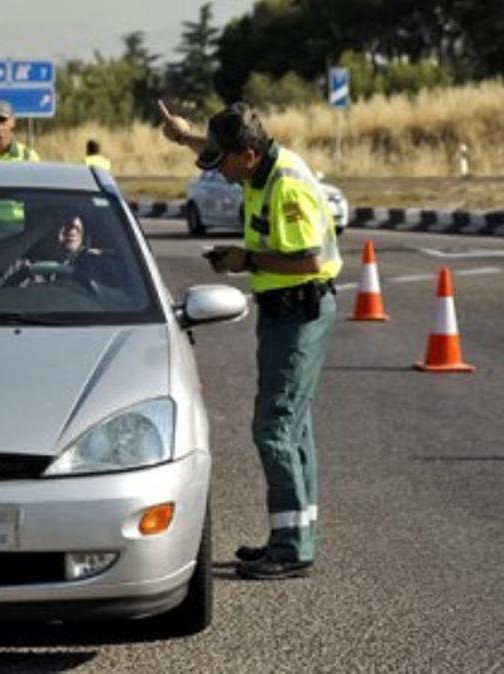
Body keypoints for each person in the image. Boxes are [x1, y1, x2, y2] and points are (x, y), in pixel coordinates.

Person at [158, 99, 341, 581]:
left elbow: (308, 260)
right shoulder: (258, 167)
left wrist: (246, 262)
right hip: (283, 310)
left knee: (274, 428)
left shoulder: (286, 188)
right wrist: (185, 137)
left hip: (299, 309)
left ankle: (291, 548)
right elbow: (217, 150)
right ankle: (295, 535)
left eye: (224, 164)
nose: (218, 174)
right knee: (293, 427)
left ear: (250, 156)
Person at [0, 214, 114, 291]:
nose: (73, 225)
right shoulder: (19, 265)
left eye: (77, 217)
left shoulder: (95, 263)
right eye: (62, 217)